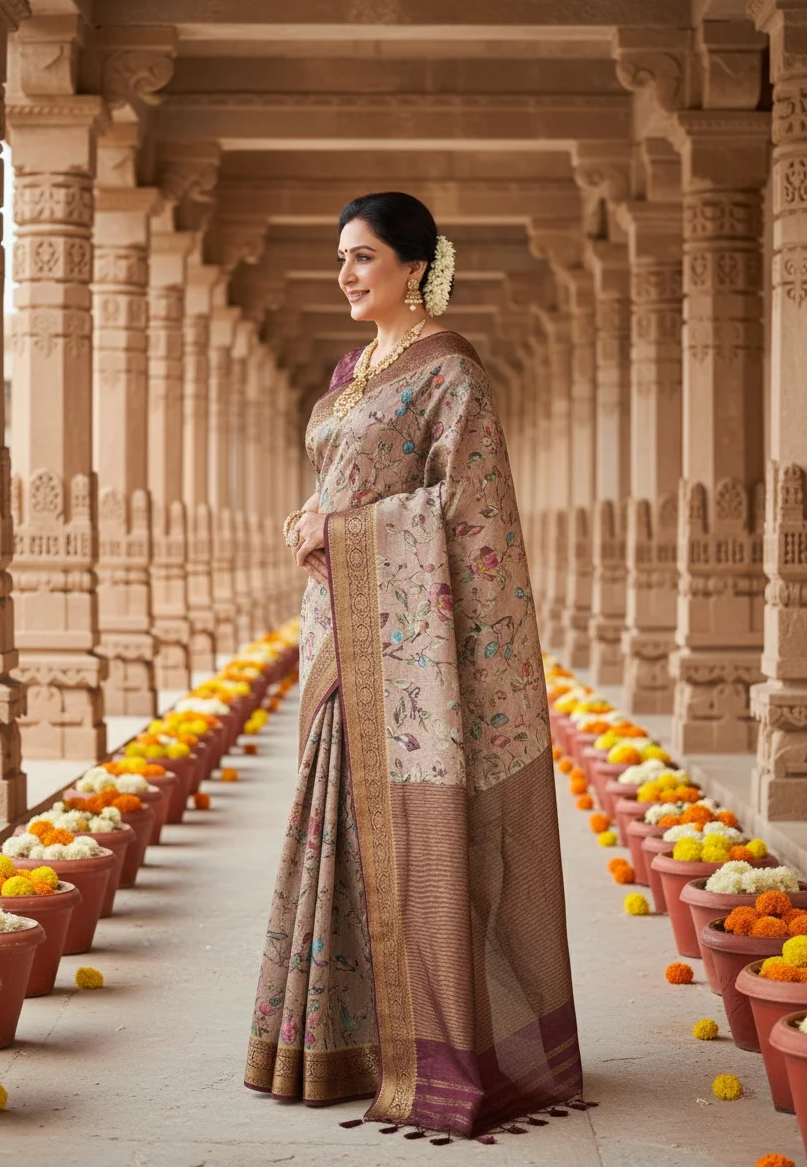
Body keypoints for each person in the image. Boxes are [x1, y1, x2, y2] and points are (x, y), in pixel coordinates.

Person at [244, 192, 581, 1138]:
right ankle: (335, 1038)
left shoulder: (450, 374)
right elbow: (350, 479)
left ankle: (428, 1048)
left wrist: (341, 531)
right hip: (339, 632)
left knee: (413, 844)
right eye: (341, 260)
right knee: (338, 826)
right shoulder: (357, 370)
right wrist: (315, 523)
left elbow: (475, 522)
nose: (347, 275)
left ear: (416, 265)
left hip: (406, 657)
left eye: (363, 258)